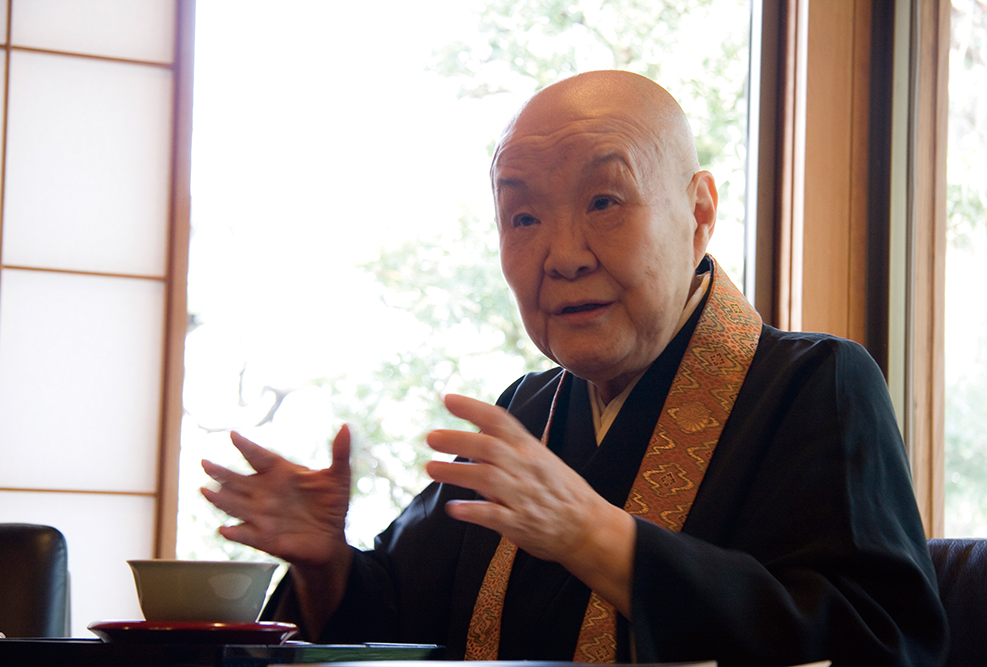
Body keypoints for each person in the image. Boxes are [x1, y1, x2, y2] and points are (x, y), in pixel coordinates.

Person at [201, 70, 948, 666]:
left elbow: (878, 642)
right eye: (523, 217)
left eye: (604, 201)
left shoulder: (815, 386)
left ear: (699, 213)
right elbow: (397, 619)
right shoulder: (526, 415)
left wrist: (596, 537)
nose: (562, 255)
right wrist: (326, 563)